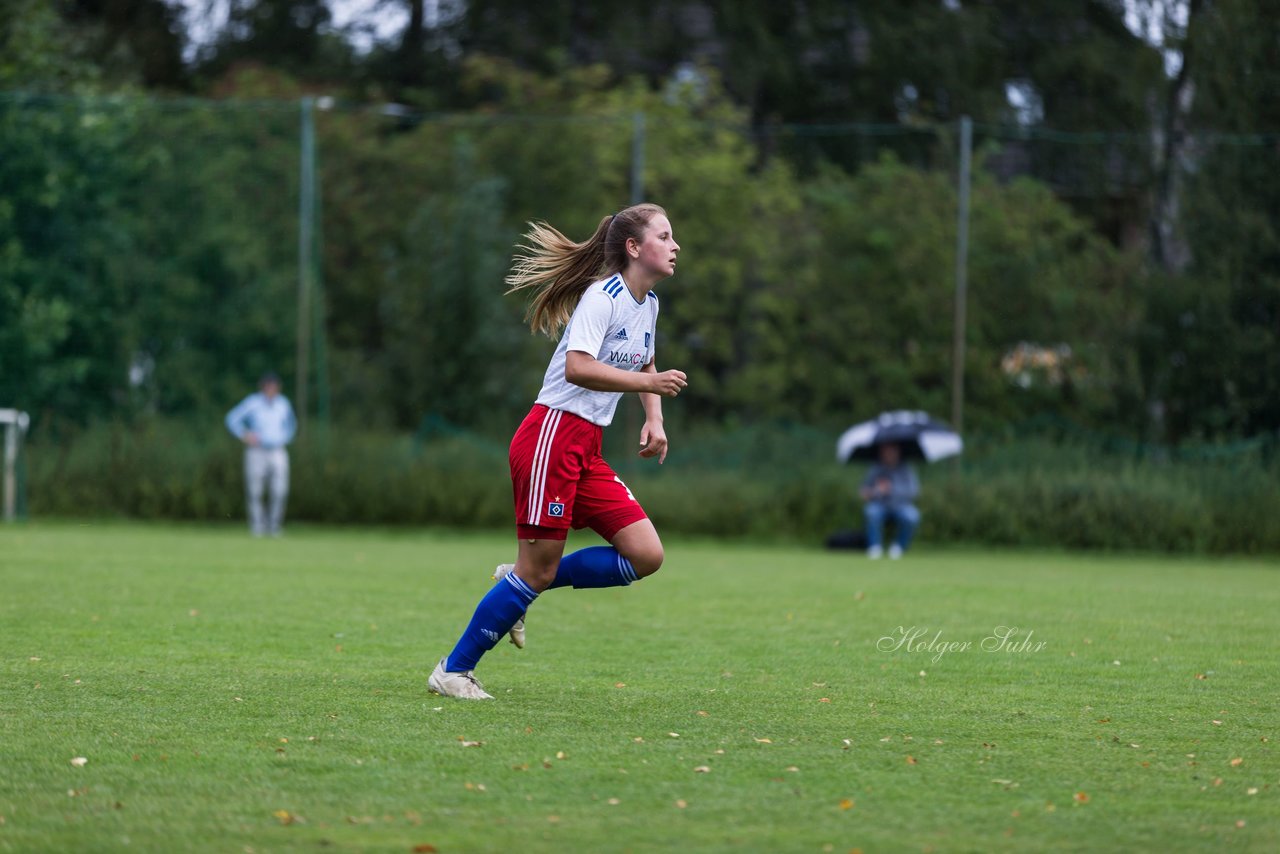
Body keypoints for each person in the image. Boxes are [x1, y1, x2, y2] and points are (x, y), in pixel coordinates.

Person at [429, 203, 686, 700]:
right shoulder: (602, 296)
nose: (676, 246)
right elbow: (577, 367)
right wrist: (646, 382)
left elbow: (646, 356)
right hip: (551, 435)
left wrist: (654, 417)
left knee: (645, 555)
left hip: (586, 445)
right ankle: (453, 670)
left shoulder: (648, 303)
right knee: (539, 569)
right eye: (666, 236)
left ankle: (519, 583)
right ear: (634, 248)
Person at [224, 371, 297, 537]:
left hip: (278, 451)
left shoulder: (283, 404)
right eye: (268, 386)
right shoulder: (253, 402)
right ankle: (257, 527)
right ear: (263, 387)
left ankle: (274, 526)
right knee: (255, 490)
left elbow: (292, 426)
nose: (271, 389)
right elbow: (231, 419)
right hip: (257, 451)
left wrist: (284, 438)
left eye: (274, 386)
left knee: (279, 490)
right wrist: (245, 434)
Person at [859, 442, 920, 559]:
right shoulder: (875, 468)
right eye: (885, 451)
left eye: (891, 451)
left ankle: (899, 547)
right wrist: (877, 490)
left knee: (912, 516)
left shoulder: (906, 469)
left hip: (901, 505)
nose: (888, 454)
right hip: (880, 505)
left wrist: (892, 489)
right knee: (871, 512)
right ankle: (874, 547)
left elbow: (914, 492)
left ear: (897, 452)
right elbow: (864, 493)